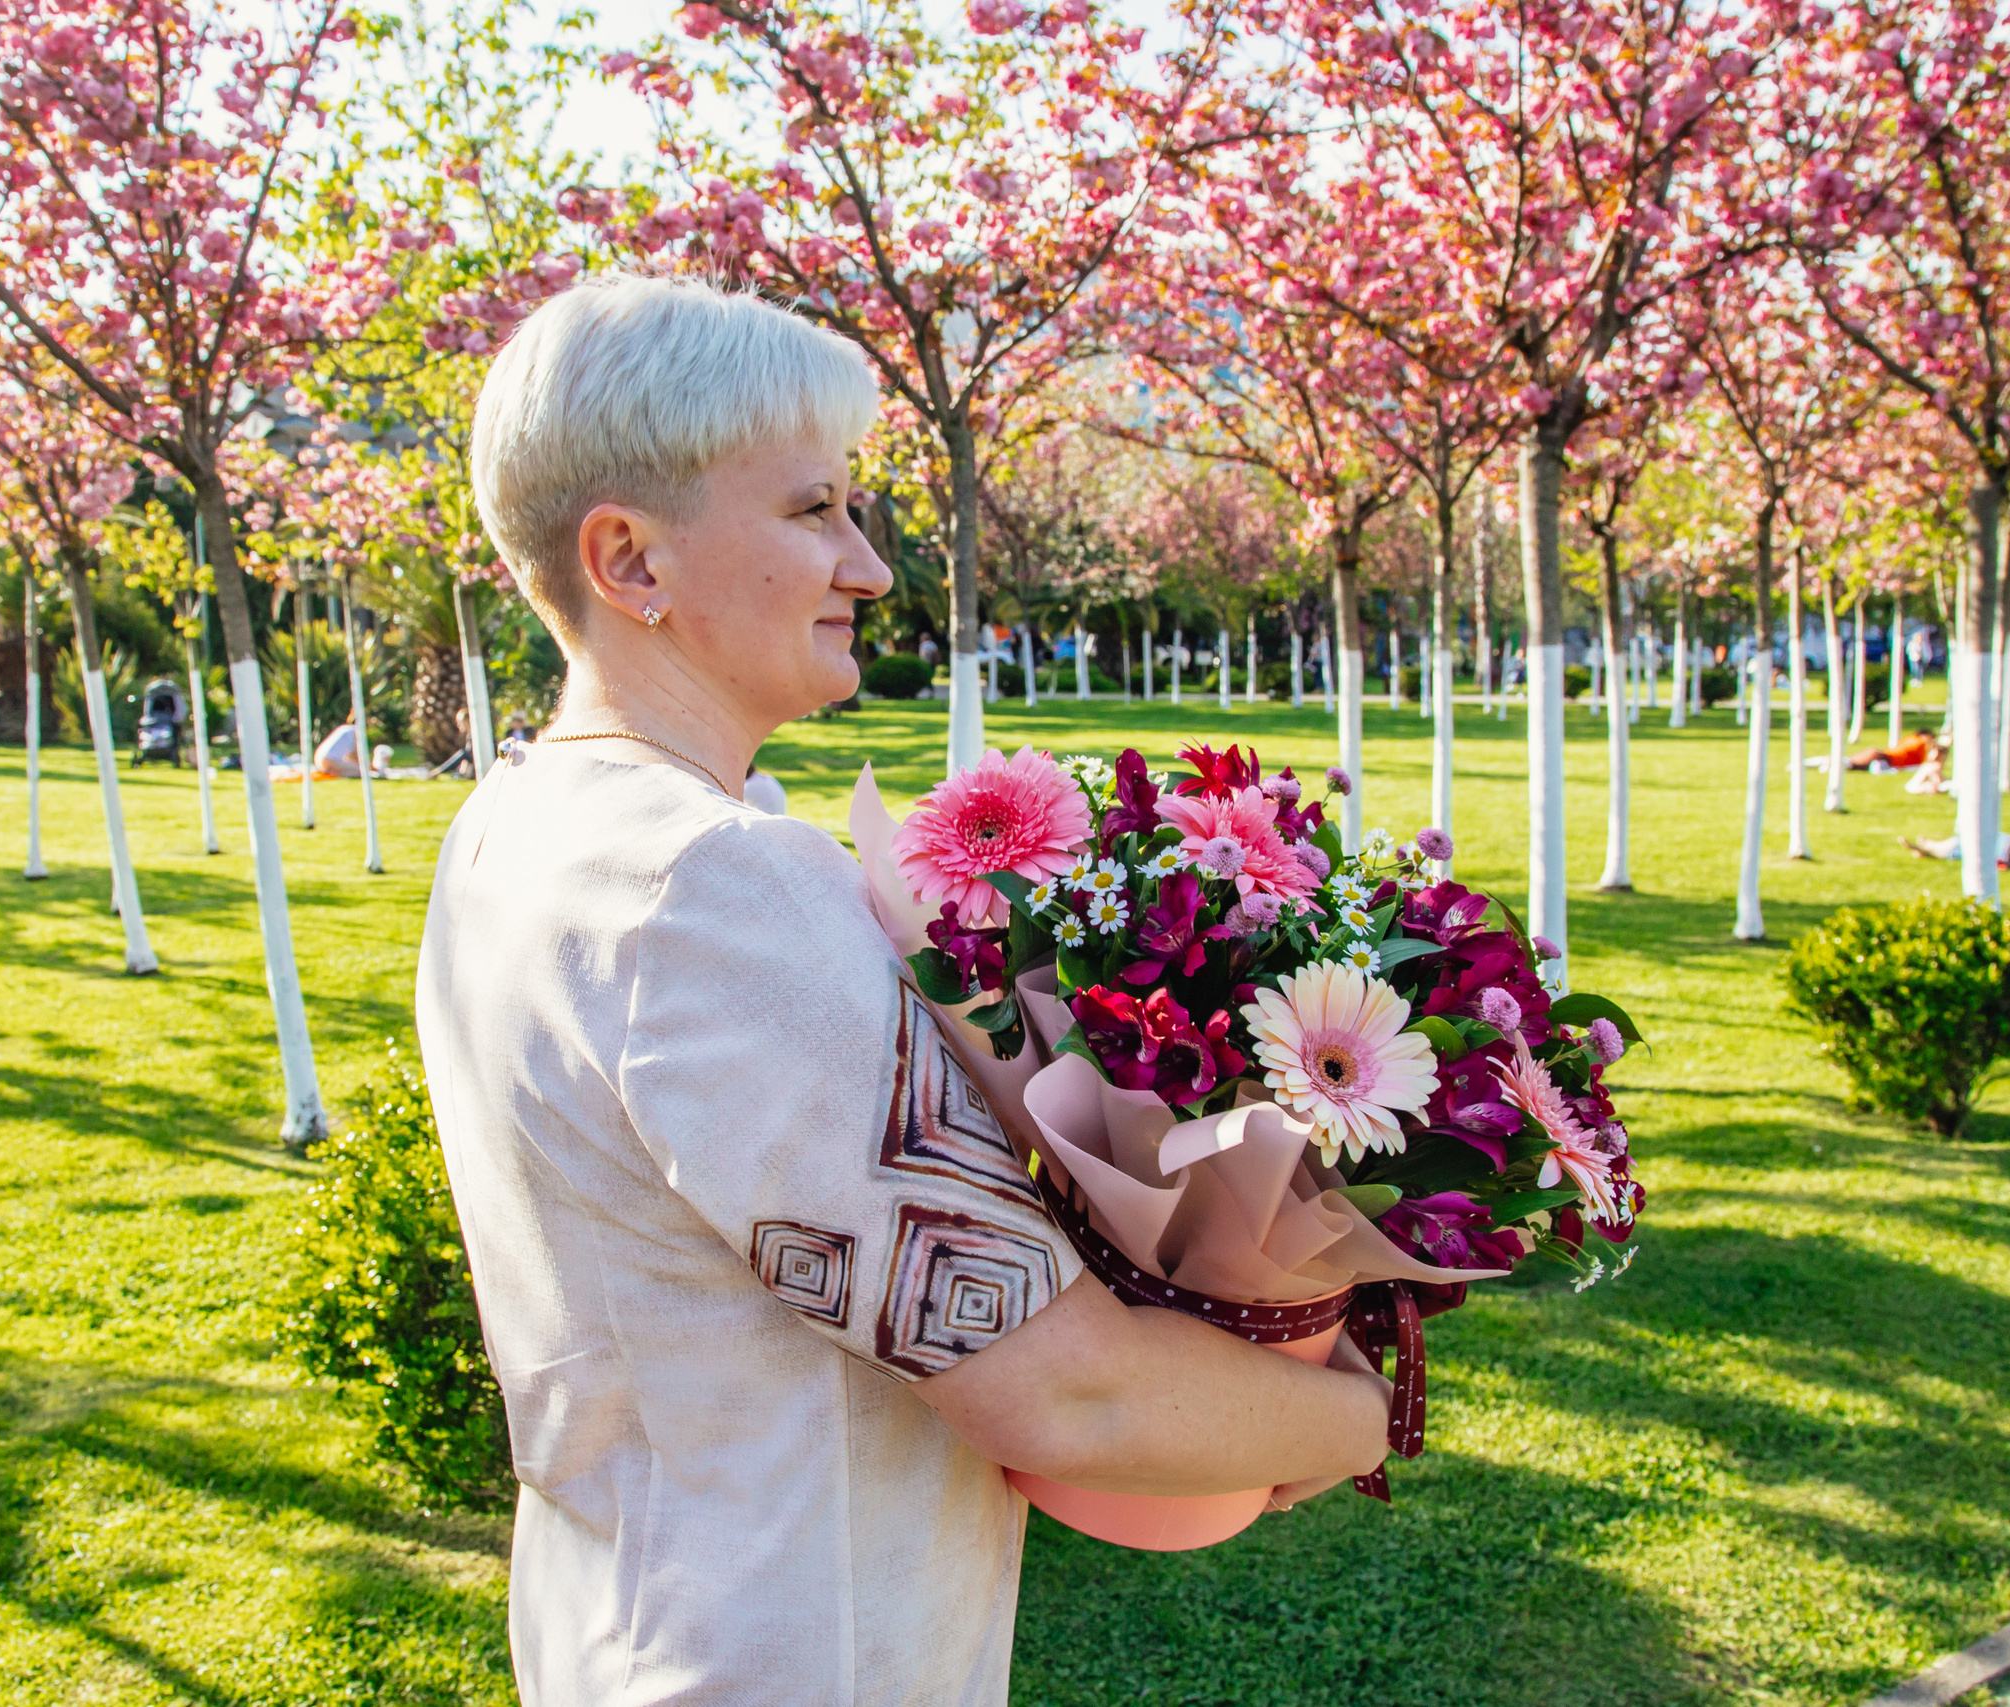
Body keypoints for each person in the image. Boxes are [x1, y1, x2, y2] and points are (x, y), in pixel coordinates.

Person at [416, 274, 1390, 1707]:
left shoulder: (515, 823)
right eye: (814, 510)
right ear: (628, 561)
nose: (868, 568)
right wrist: (1358, 1412)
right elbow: (1067, 1390)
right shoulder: (708, 885)